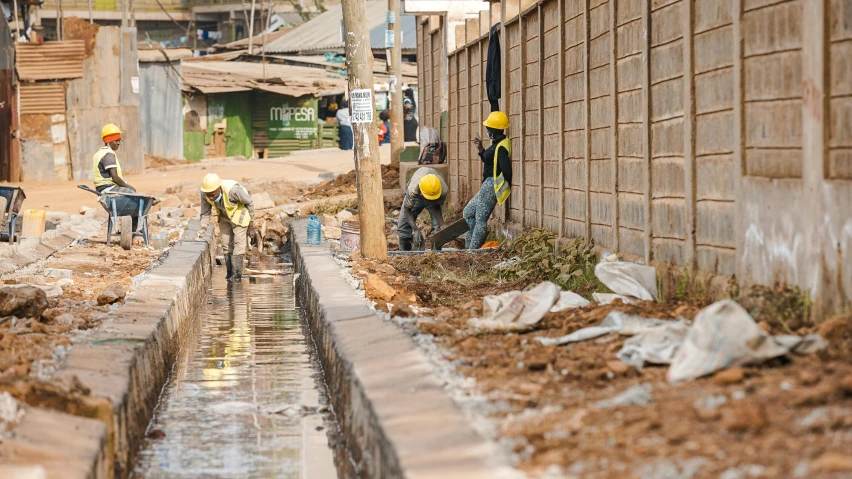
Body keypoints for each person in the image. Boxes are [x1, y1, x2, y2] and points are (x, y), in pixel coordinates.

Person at [464, 111, 512, 249]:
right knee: (468, 213)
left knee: (480, 220)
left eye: (488, 129)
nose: (486, 131)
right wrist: (480, 149)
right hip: (487, 184)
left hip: (491, 185)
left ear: (492, 131)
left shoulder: (501, 146)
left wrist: (501, 186)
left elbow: (506, 170)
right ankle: (468, 247)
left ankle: (471, 252)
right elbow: (489, 159)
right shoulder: (497, 143)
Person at [198, 173, 254, 281]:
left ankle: (237, 276)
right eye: (208, 194)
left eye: (213, 194)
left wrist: (252, 224)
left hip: (239, 216)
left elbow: (249, 202)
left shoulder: (233, 191)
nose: (210, 197)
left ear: (219, 188)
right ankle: (229, 275)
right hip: (224, 216)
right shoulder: (205, 193)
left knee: (238, 245)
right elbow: (205, 213)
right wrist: (203, 228)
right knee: (226, 244)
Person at [397, 167, 447, 251]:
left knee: (438, 229)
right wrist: (415, 229)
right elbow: (407, 210)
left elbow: (436, 206)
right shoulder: (413, 188)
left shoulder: (443, 189)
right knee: (403, 227)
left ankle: (436, 255)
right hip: (416, 198)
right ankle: (404, 255)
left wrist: (442, 224)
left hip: (435, 199)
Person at [92, 123, 135, 194]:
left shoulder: (98, 153)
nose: (119, 143)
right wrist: (129, 187)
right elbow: (115, 178)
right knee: (132, 192)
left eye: (119, 140)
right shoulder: (108, 154)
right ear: (108, 141)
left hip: (100, 188)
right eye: (116, 140)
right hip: (109, 188)